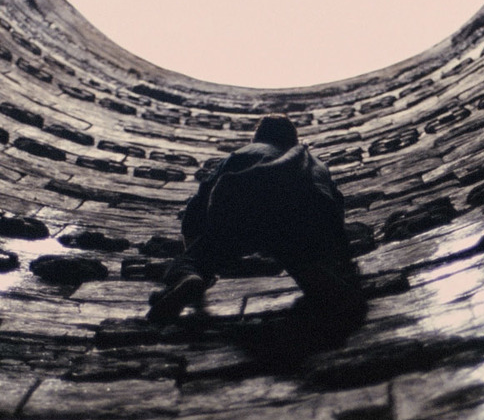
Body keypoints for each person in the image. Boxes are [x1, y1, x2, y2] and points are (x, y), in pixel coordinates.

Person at [147, 115, 365, 323]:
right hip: (299, 219)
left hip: (243, 214)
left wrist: (197, 251)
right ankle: (323, 283)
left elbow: (199, 202)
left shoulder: (245, 152)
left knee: (193, 262)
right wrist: (341, 256)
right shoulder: (315, 163)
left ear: (257, 137)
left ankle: (189, 278)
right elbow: (334, 205)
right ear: (293, 139)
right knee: (302, 260)